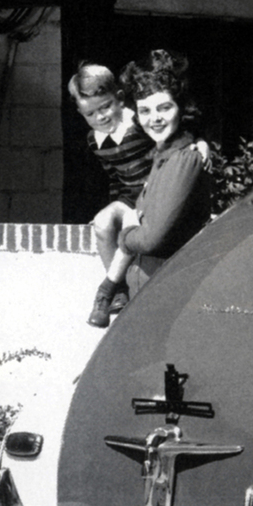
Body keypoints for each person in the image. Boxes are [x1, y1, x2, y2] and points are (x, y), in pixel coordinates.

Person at [115, 50, 212, 296]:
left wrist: (125, 234)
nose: (154, 119)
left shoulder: (184, 158)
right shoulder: (163, 155)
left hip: (169, 290)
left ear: (181, 108)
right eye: (145, 111)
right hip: (151, 290)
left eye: (164, 108)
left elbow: (150, 240)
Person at [69, 64, 154, 327]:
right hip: (129, 196)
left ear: (119, 97)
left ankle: (108, 288)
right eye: (91, 113)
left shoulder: (139, 122)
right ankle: (118, 293)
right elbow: (115, 178)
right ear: (81, 114)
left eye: (105, 106)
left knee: (131, 223)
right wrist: (114, 209)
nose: (101, 117)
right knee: (103, 222)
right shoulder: (95, 141)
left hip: (154, 191)